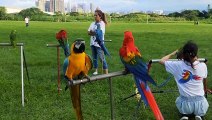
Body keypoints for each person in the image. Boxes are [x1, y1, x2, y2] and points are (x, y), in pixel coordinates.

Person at [159, 41, 209, 120]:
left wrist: (173, 53)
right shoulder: (203, 65)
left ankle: (185, 115)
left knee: (179, 100)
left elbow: (161, 60)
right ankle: (199, 115)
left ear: (183, 53)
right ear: (196, 53)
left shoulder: (177, 65)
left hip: (186, 104)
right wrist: (205, 89)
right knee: (200, 106)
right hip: (201, 103)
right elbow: (204, 79)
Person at [88, 9, 108, 75]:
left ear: (100, 16)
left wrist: (93, 32)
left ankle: (106, 73)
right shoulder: (92, 23)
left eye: (96, 15)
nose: (95, 16)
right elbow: (89, 32)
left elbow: (100, 33)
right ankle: (95, 70)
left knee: (101, 58)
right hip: (92, 43)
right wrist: (94, 32)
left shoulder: (102, 24)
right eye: (94, 15)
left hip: (99, 44)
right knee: (94, 58)